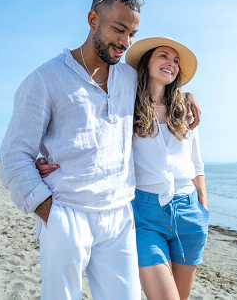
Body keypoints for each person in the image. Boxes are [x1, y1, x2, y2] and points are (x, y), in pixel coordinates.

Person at [0, 0, 200, 300]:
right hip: (67, 214)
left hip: (120, 219)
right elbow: (14, 156)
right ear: (93, 19)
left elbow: (160, 88)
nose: (125, 42)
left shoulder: (129, 78)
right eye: (118, 29)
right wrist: (49, 210)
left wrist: (185, 97)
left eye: (132, 33)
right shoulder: (44, 80)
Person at [38, 37, 209, 300]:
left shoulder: (184, 110)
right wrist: (51, 162)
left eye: (175, 61)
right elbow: (93, 138)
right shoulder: (126, 106)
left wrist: (203, 211)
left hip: (189, 213)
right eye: (163, 56)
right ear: (147, 62)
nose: (171, 64)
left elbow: (197, 165)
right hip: (145, 214)